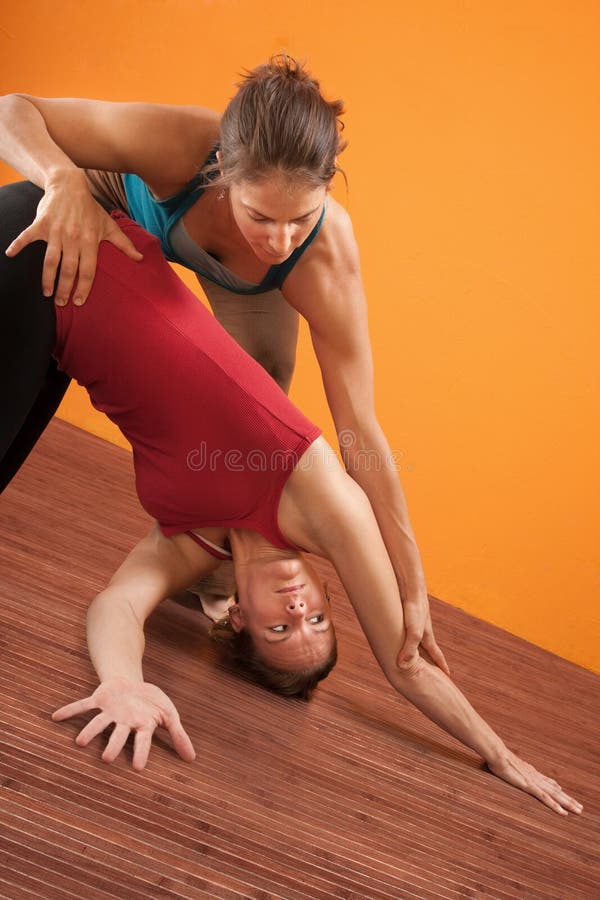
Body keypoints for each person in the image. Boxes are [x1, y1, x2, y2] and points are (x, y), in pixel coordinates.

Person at [0, 181, 582, 817]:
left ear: (238, 618)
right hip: (63, 233)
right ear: (328, 591)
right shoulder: (324, 503)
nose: (299, 608)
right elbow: (406, 666)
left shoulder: (190, 542)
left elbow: (117, 604)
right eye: (318, 618)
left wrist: (123, 682)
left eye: (282, 627)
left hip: (54, 310)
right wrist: (498, 754)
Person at [0, 55, 444, 675]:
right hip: (102, 223)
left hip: (245, 294)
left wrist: (412, 585)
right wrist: (61, 179)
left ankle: (210, 576)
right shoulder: (184, 144)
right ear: (224, 175)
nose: (281, 240)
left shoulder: (321, 259)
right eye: (261, 216)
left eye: (302, 218)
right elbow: (13, 109)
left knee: (253, 437)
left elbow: (359, 432)